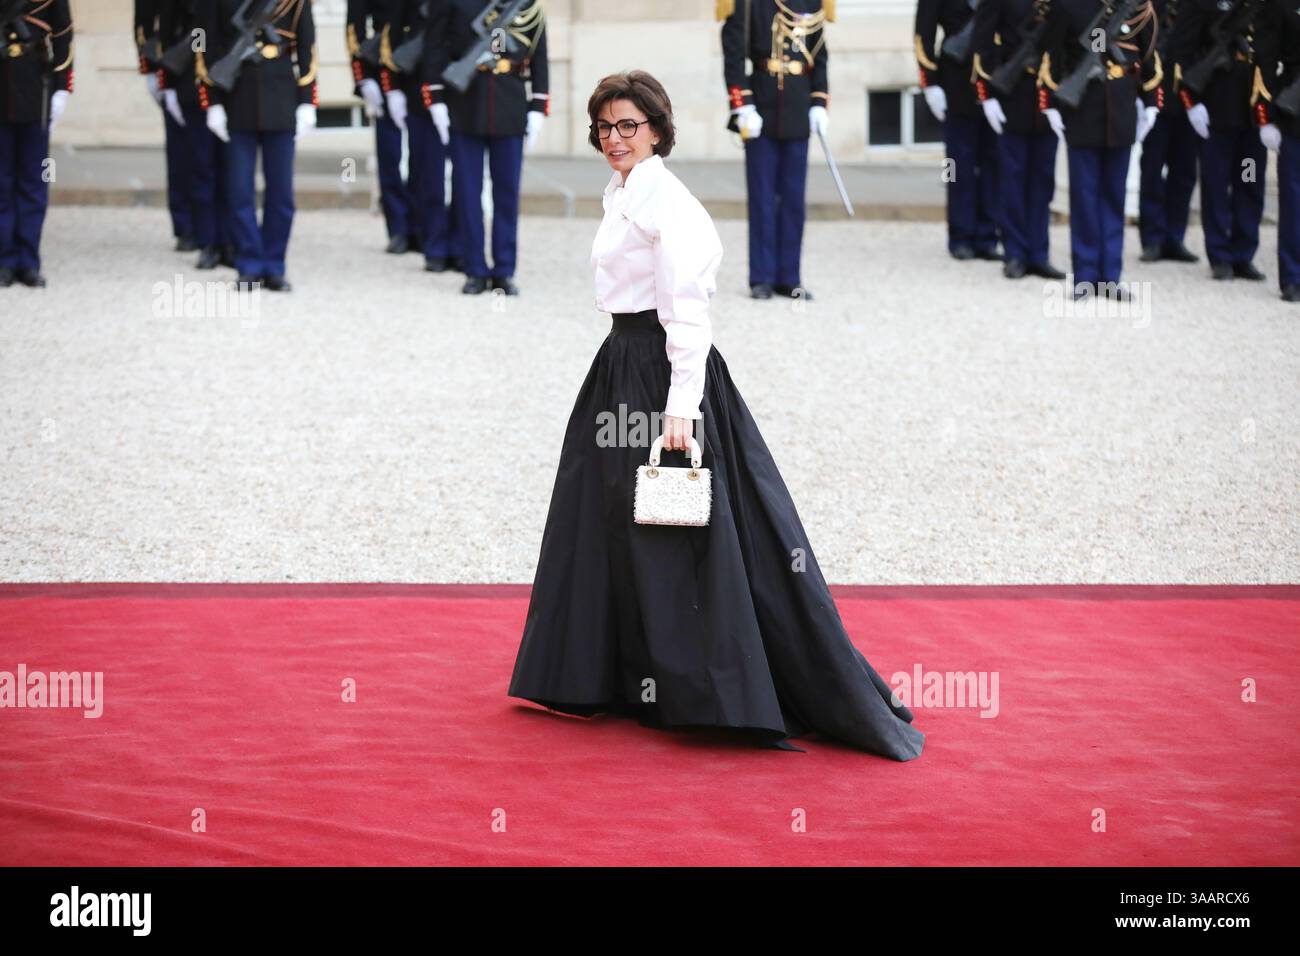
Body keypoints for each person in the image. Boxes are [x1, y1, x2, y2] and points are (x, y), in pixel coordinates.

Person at [507, 70, 925, 761]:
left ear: (657, 130)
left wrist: (680, 410)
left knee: (681, 528)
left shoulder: (670, 205)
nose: (615, 138)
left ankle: (708, 686)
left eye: (628, 126)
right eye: (605, 127)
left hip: (660, 375)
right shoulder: (623, 193)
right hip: (620, 366)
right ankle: (627, 674)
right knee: (615, 517)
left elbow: (688, 316)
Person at [423, 0, 549, 295]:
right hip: (465, 103)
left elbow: (539, 55)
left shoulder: (526, 5)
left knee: (506, 193)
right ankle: (474, 269)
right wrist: (436, 98)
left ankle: (504, 270)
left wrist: (538, 104)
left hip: (510, 104)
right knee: (467, 193)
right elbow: (435, 47)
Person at [1039, 0, 1162, 299]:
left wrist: (1150, 103)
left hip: (1120, 111)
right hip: (1082, 109)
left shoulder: (1138, 8)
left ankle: (1110, 276)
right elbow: (1051, 57)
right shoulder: (1068, 7)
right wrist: (1051, 104)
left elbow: (1149, 60)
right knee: (1084, 197)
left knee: (1113, 196)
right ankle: (1085, 275)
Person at [197, 0, 319, 292]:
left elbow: (307, 47)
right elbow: (203, 44)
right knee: (240, 192)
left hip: (281, 98)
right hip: (238, 97)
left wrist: (307, 102)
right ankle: (249, 265)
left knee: (281, 195)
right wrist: (211, 102)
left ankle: (274, 265)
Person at [719, 0, 831, 300]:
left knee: (794, 200)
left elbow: (819, 55)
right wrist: (742, 105)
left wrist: (819, 102)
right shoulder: (748, 3)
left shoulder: (811, 2)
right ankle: (762, 277)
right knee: (763, 198)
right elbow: (733, 52)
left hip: (798, 109)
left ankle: (789, 277)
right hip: (761, 109)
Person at [1168, 0, 1268, 281]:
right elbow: (1180, 51)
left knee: (1249, 181)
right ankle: (1220, 254)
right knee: (1216, 183)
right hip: (1217, 107)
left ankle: (1243, 252)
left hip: (1252, 110)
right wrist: (1191, 103)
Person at [971, 0, 1066, 279]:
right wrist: (986, 96)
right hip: (1012, 94)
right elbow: (982, 41)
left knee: (1043, 180)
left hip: (1049, 98)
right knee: (1013, 178)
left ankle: (1039, 253)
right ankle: (1015, 252)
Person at [916, 0, 1002, 261]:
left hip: (995, 79)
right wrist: (929, 82)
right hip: (956, 81)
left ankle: (987, 236)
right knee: (956, 167)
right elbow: (924, 31)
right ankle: (960, 235)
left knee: (993, 163)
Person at [1, 0, 73, 289]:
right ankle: (5, 259)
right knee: (2, 181)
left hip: (37, 89)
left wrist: (63, 88)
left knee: (36, 179)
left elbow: (64, 34)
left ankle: (29, 260)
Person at [159, 0, 234, 271]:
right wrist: (166, 84)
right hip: (195, 85)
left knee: (232, 171)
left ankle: (230, 239)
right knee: (203, 169)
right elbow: (168, 34)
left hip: (236, 82)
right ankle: (208, 241)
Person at [387, 0, 462, 273]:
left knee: (464, 180)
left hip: (463, 92)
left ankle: (458, 244)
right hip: (421, 93)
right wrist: (392, 87)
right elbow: (392, 36)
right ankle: (434, 245)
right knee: (428, 177)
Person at [348, 0, 418, 256]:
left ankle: (422, 224)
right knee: (390, 154)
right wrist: (362, 77)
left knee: (424, 154)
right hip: (380, 68)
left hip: (422, 66)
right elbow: (354, 27)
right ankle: (398, 227)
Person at [1137, 0, 1200, 264]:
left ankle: (1175, 236)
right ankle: (1152, 237)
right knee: (1153, 168)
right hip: (1156, 97)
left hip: (1188, 96)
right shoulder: (1150, 5)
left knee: (1184, 172)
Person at [137, 0, 196, 253]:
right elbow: (145, 20)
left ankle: (216, 228)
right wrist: (150, 69)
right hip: (175, 66)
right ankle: (185, 225)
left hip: (212, 61)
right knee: (181, 153)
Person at [1254, 0, 1300, 303]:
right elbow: (1265, 61)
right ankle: (1293, 276)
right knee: (1294, 197)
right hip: (1294, 111)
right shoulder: (1282, 4)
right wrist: (1264, 117)